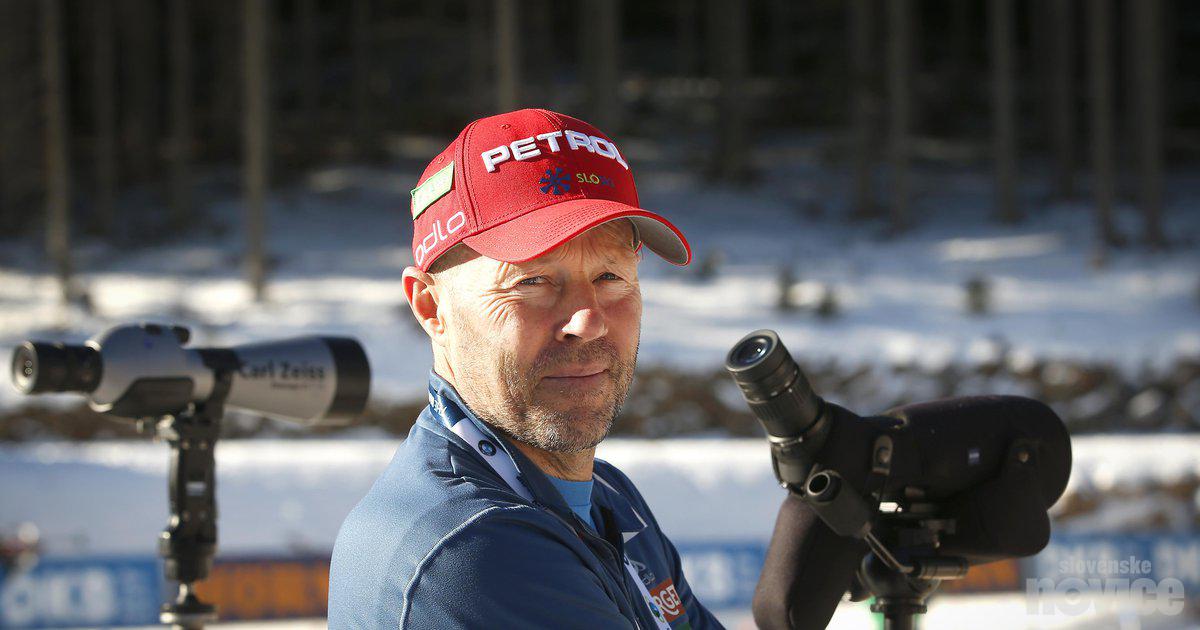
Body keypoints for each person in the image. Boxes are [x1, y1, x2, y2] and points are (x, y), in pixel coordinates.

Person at [328, 108, 722, 629]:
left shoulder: (608, 502)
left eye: (609, 275)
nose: (588, 321)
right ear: (430, 307)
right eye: (532, 282)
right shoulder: (472, 547)